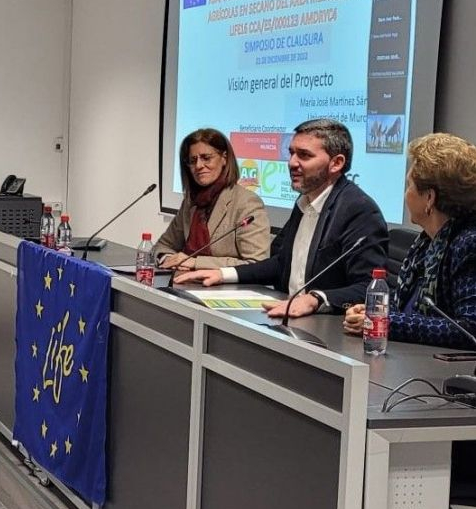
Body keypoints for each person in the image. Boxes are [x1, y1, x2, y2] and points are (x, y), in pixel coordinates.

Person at [175, 119, 390, 318]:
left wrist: (316, 299)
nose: (292, 163)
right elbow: (281, 264)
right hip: (286, 314)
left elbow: (370, 287)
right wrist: (224, 274)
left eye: (304, 155)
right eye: (291, 153)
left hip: (329, 327)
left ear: (336, 163)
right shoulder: (305, 202)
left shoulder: (359, 210)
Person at [342, 133, 476, 348]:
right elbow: (409, 307)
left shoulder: (468, 244)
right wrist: (374, 311)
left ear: (429, 198)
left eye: (409, 186)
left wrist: (386, 322)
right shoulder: (426, 243)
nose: (406, 194)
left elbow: (469, 329)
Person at [155, 128, 270, 271]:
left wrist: (195, 263)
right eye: (192, 160)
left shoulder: (247, 203)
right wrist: (168, 259)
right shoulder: (191, 202)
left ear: (224, 158)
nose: (198, 166)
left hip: (224, 291)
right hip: (184, 283)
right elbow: (162, 246)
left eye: (206, 158)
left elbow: (257, 264)